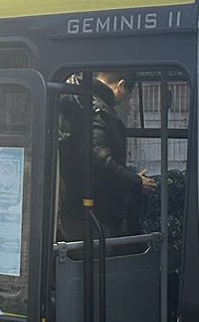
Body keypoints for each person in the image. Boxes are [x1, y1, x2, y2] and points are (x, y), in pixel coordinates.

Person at [57, 70, 157, 238]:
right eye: (128, 95)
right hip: (90, 210)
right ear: (121, 85)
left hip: (88, 205)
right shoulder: (93, 109)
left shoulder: (84, 100)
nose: (127, 100)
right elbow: (99, 162)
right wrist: (136, 182)